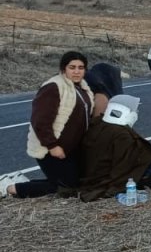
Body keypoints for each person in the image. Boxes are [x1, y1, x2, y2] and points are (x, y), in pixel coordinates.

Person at [4, 51, 92, 199]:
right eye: (72, 67)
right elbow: (40, 121)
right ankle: (9, 188)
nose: (77, 71)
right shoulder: (53, 87)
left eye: (80, 67)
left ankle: (19, 181)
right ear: (63, 69)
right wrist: (52, 146)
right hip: (50, 148)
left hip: (69, 149)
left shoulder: (81, 89)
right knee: (65, 188)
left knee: (74, 182)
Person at [78, 95, 151, 202]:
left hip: (93, 176)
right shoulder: (122, 135)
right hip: (108, 178)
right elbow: (124, 167)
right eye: (135, 111)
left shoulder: (97, 124)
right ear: (130, 114)